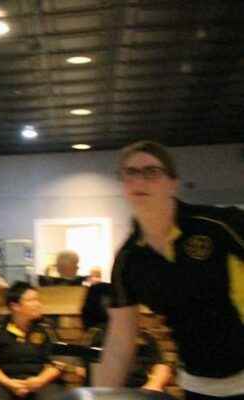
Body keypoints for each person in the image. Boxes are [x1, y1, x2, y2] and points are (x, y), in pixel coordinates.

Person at [95, 141, 244, 399]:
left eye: (151, 172)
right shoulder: (129, 260)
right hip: (199, 383)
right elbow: (120, 342)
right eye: (130, 173)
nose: (140, 181)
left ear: (172, 183)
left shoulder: (218, 226)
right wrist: (99, 396)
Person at [0, 282, 63, 400]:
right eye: (32, 300)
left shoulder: (46, 326)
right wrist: (9, 383)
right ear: (15, 306)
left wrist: (40, 380)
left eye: (38, 300)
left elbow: (59, 361)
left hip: (40, 381)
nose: (38, 304)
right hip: (6, 382)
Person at [80, 283, 171, 390]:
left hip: (138, 393)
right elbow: (81, 370)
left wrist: (154, 385)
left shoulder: (144, 336)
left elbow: (162, 366)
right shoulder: (95, 335)